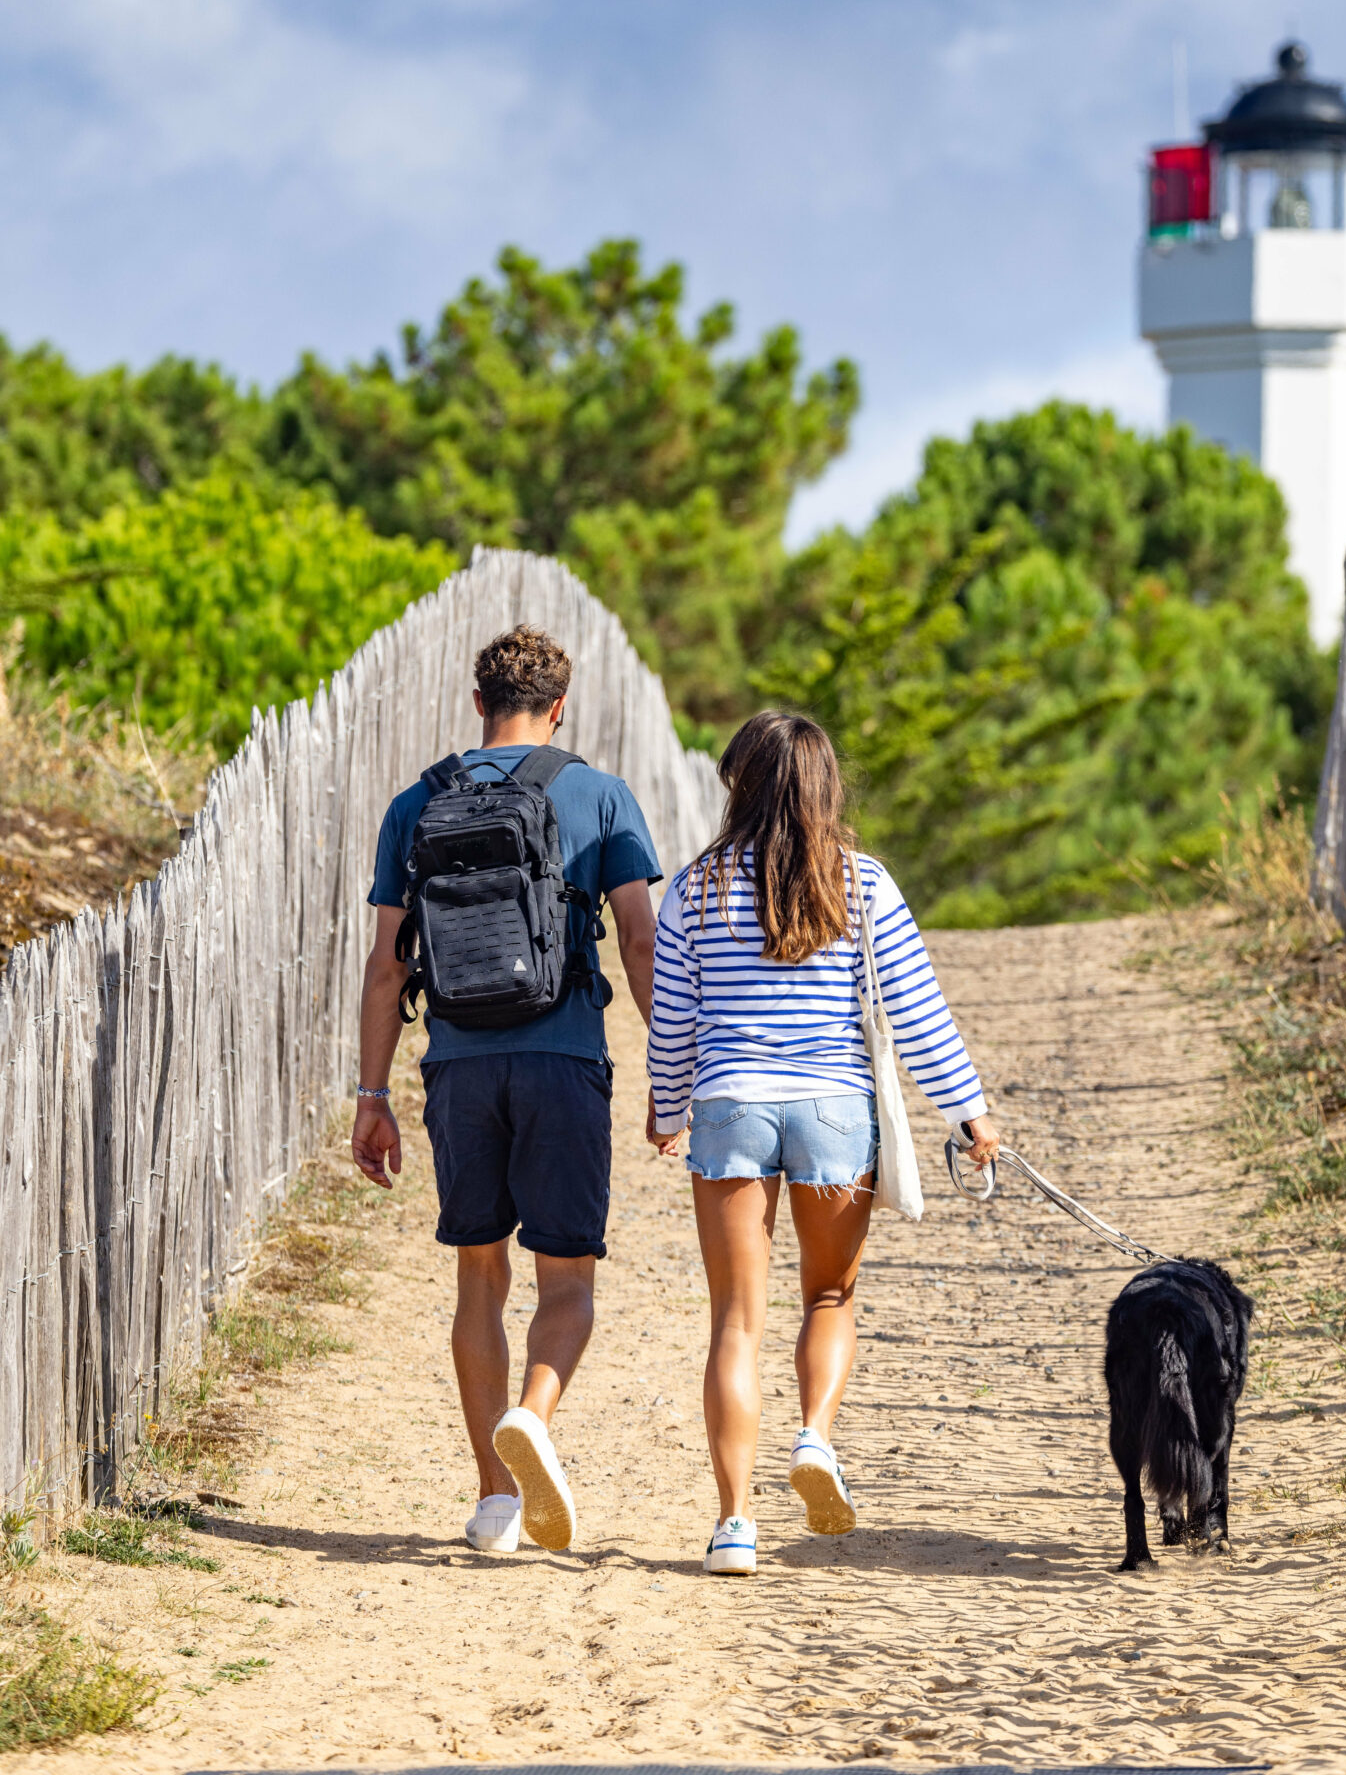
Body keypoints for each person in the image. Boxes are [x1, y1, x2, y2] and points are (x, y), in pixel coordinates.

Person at [646, 709, 999, 1576]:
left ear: (741, 784)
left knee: (735, 1321)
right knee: (830, 1298)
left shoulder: (692, 889)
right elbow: (918, 1018)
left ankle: (733, 1527)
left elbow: (674, 1022)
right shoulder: (864, 883)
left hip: (729, 1105)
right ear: (824, 786)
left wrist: (666, 1110)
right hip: (836, 1108)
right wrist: (970, 1113)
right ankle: (814, 1440)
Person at [350, 624, 661, 1558]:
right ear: (559, 707)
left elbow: (382, 968)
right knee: (566, 1281)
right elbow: (641, 943)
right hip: (563, 1059)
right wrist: (677, 1069)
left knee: (478, 1274)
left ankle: (495, 1500)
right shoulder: (600, 796)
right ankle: (533, 1413)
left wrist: (372, 1095)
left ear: (477, 702)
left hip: (458, 1065)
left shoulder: (417, 804)